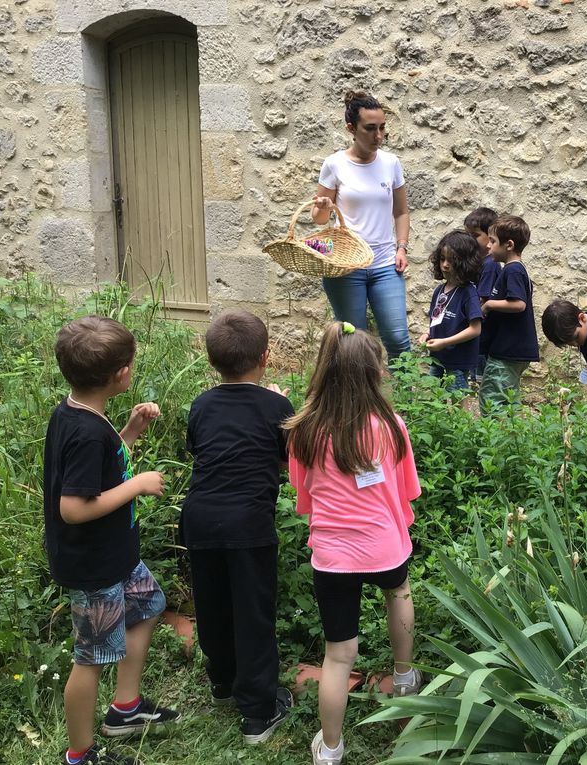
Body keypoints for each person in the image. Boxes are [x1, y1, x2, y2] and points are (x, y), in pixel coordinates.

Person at [285, 324, 422, 765]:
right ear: (376, 372)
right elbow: (407, 492)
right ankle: (404, 676)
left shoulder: (304, 430)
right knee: (398, 593)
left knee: (338, 656)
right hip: (385, 546)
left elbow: (303, 498)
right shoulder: (391, 426)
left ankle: (329, 748)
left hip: (333, 556)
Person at [43, 316, 178, 765]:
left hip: (116, 556)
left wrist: (131, 432)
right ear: (121, 373)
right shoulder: (82, 431)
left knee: (149, 607)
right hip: (93, 565)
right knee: (92, 657)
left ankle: (125, 708)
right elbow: (74, 508)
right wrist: (137, 484)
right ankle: (79, 754)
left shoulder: (82, 415)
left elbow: (100, 472)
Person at [181, 311, 295, 744]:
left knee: (212, 603)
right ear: (265, 357)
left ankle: (223, 682)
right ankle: (259, 711)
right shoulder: (276, 405)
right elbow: (289, 458)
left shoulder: (202, 404)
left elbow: (199, 448)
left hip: (201, 517)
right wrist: (278, 406)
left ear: (213, 362)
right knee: (253, 612)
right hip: (248, 522)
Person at [312, 90, 411, 362]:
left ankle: (406, 403)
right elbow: (320, 218)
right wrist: (321, 207)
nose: (378, 136)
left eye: (382, 128)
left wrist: (401, 249)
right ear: (351, 128)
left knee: (398, 340)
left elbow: (401, 212)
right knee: (353, 342)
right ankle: (356, 403)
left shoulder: (391, 163)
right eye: (370, 129)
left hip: (384, 265)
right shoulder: (334, 164)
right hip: (346, 265)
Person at [479, 215, 540, 410]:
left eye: (493, 241)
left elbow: (518, 304)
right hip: (513, 351)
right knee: (509, 398)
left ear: (509, 245)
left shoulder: (512, 270)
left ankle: (492, 437)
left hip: (507, 351)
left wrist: (489, 305)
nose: (488, 246)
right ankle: (512, 436)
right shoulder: (514, 269)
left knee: (491, 398)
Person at [418, 230, 484, 390]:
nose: (445, 265)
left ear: (465, 262)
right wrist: (428, 334)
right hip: (437, 357)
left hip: (458, 359)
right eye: (442, 259)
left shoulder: (468, 292)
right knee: (434, 396)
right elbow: (436, 319)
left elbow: (475, 329)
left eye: (451, 260)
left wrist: (445, 342)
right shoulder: (439, 291)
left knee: (457, 398)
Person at [464, 206, 500, 377]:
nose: (470, 240)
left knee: (480, 380)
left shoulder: (490, 265)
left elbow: (482, 301)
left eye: (475, 235)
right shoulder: (476, 263)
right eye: (468, 235)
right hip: (475, 338)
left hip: (484, 338)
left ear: (490, 237)